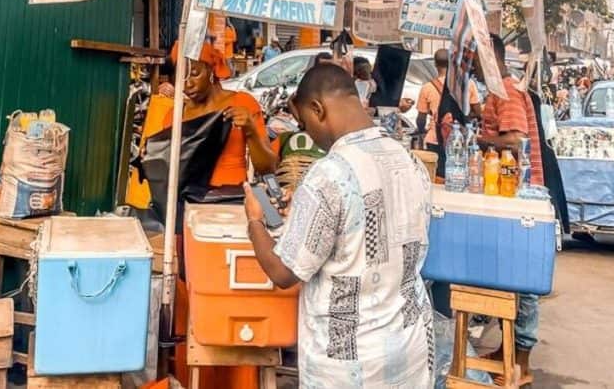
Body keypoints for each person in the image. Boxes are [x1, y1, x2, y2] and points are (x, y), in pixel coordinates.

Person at [243, 64, 434, 387]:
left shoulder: (329, 173)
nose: (307, 134)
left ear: (318, 109)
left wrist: (255, 222)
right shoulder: (409, 160)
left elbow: (283, 272)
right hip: (408, 350)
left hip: (348, 365)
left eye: (304, 123)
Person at [475, 34, 544, 385]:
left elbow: (516, 139)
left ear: (490, 58)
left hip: (521, 197)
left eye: (474, 58)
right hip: (506, 192)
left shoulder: (508, 91)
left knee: (524, 282)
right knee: (509, 280)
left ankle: (521, 365)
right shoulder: (499, 91)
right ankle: (506, 355)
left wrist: (480, 140)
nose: (470, 64)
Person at [163, 43, 277, 184]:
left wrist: (250, 130)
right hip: (187, 200)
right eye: (181, 77)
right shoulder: (176, 115)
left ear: (211, 70)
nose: (188, 84)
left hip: (229, 200)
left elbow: (268, 168)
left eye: (194, 74)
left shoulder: (242, 103)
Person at [416, 49, 482, 148]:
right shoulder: (468, 84)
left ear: (435, 64)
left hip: (435, 139)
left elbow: (421, 119)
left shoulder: (427, 88)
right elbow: (478, 112)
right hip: (460, 138)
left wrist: (422, 131)